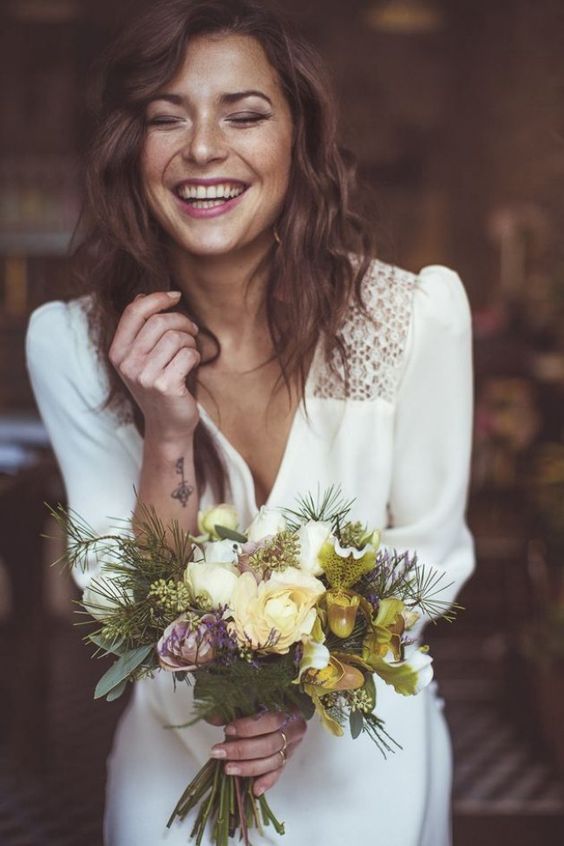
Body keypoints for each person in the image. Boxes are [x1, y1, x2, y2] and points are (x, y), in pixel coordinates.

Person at [26, 0, 475, 843]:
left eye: (245, 114)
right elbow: (125, 602)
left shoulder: (411, 317)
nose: (202, 148)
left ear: (299, 139)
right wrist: (165, 434)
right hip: (177, 760)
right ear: (134, 150)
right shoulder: (72, 345)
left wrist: (299, 693)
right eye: (168, 117)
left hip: (363, 756)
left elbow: (431, 560)